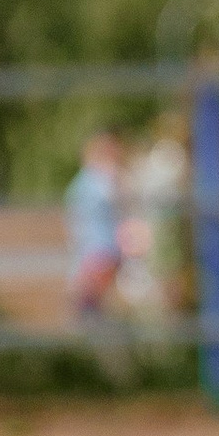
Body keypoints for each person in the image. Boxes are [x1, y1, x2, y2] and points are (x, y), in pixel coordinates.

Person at [65, 128, 125, 316]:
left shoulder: (83, 182)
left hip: (95, 247)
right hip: (100, 247)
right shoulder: (97, 180)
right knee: (91, 297)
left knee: (92, 298)